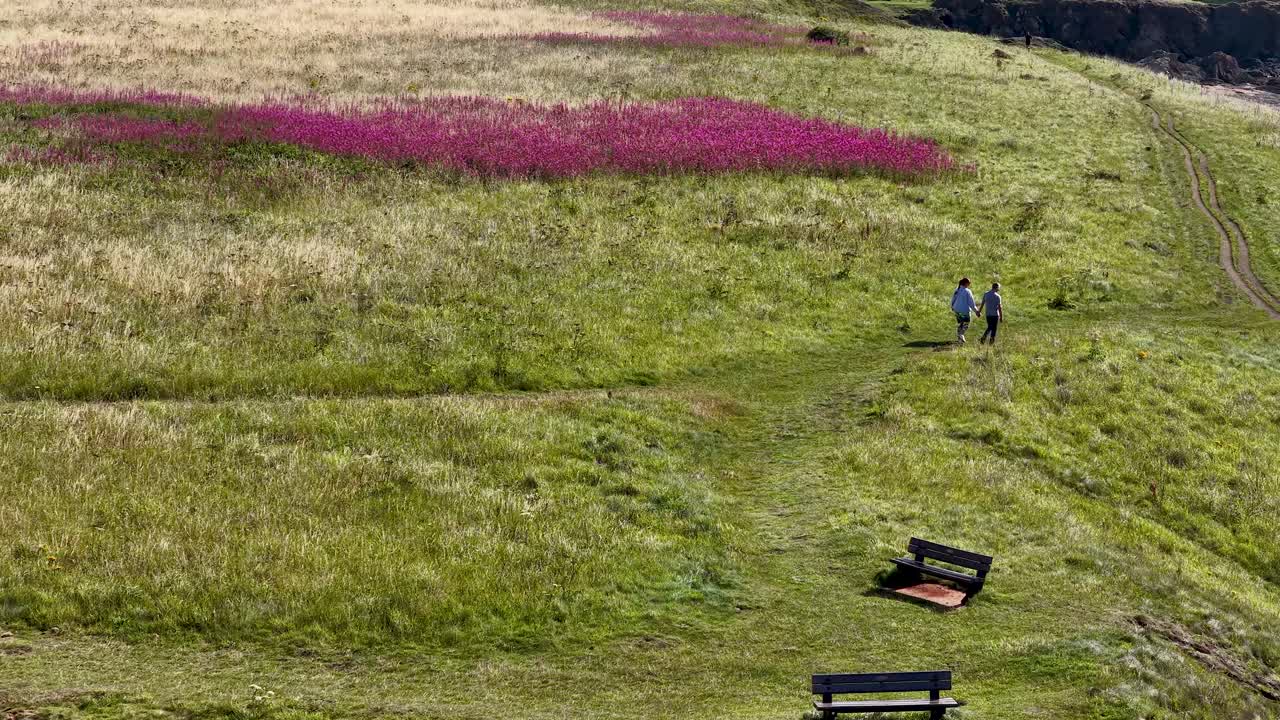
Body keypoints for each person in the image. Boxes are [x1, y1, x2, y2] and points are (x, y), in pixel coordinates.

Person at [950, 277, 979, 344]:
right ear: (966, 283)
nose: (969, 284)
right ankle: (961, 335)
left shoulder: (957, 290)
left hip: (957, 310)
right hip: (964, 310)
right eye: (969, 283)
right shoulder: (967, 291)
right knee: (966, 323)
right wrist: (976, 311)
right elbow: (971, 302)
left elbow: (953, 299)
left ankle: (960, 336)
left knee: (961, 323)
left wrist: (952, 306)